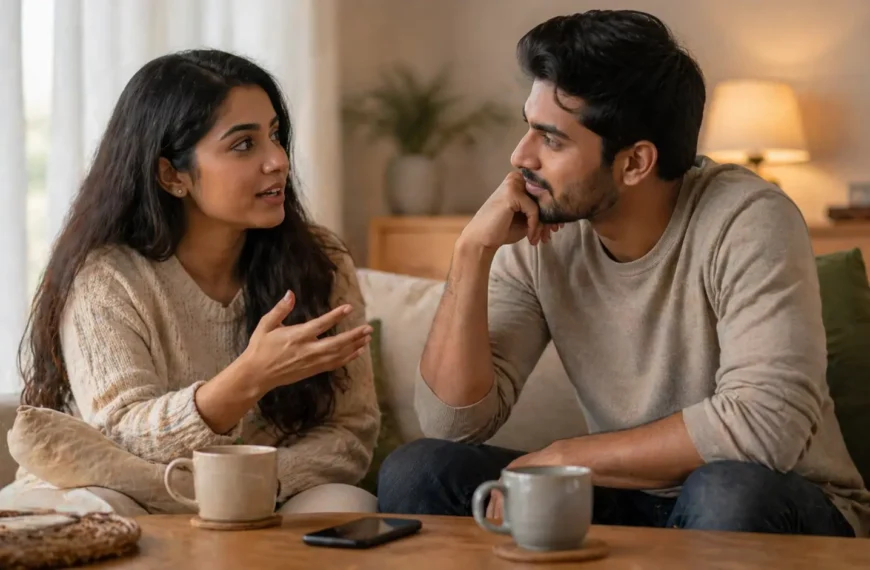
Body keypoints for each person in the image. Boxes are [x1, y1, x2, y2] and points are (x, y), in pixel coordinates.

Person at [376, 10, 870, 537]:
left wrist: (567, 455)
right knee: (419, 470)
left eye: (553, 139)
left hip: (781, 499)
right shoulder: (541, 228)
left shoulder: (748, 217)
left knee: (725, 491)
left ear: (635, 163)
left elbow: (767, 426)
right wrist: (472, 251)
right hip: (629, 497)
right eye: (528, 128)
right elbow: (455, 424)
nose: (521, 156)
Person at [0, 49, 379, 516]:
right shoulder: (106, 277)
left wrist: (246, 484)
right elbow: (121, 433)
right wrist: (248, 377)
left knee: (345, 505)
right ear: (171, 174)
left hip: (266, 488)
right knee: (113, 514)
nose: (278, 161)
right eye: (244, 145)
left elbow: (350, 430)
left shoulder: (321, 262)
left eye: (275, 136)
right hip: (115, 487)